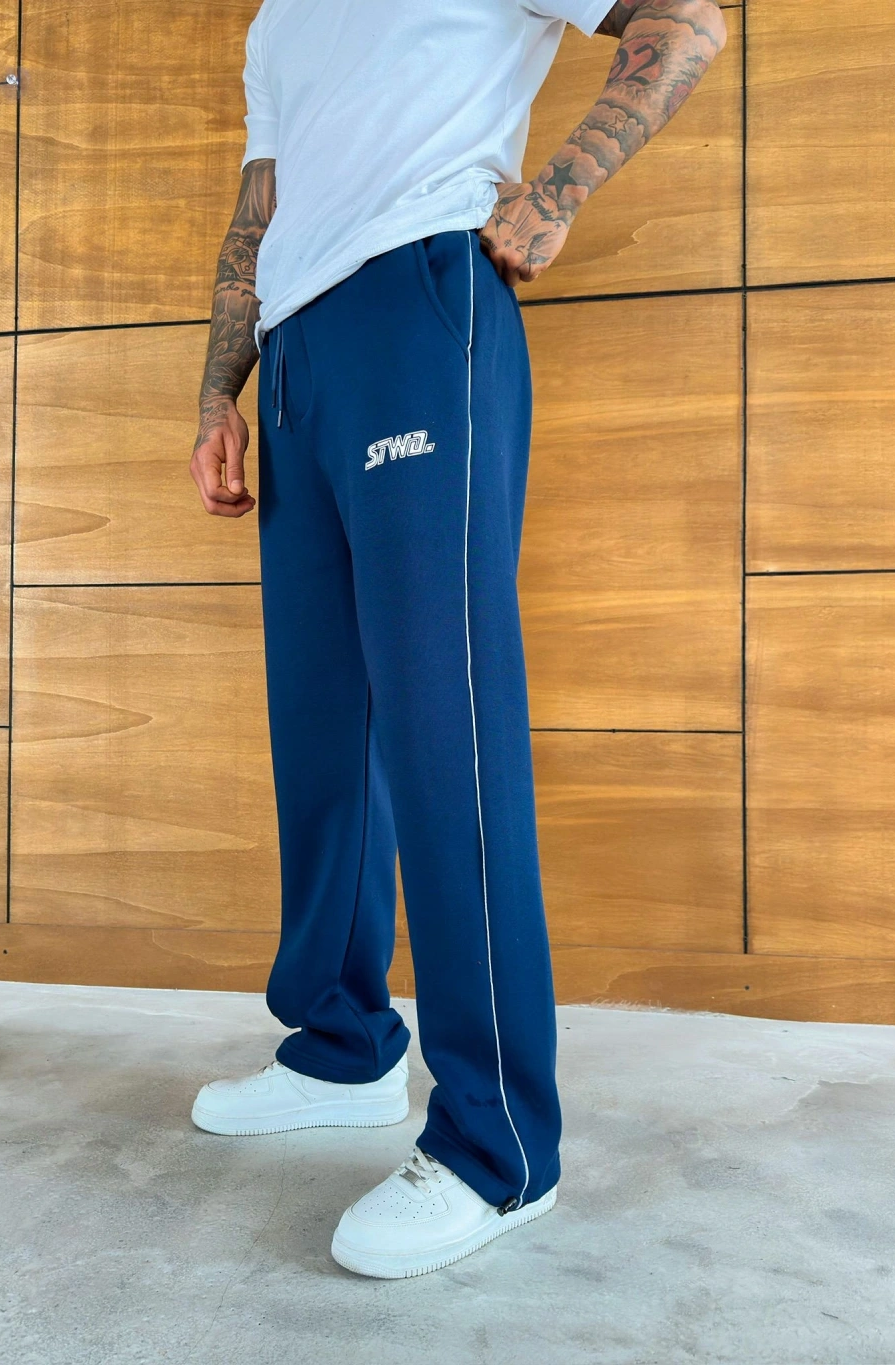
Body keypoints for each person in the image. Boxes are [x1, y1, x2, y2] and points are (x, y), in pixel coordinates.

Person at [188, 0, 726, 1279]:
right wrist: (219, 389)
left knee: (445, 726)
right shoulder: (275, 20)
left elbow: (684, 24)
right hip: (298, 353)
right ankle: (341, 1047)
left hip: (419, 306)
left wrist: (555, 194)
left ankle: (500, 1146)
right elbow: (261, 204)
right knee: (323, 733)